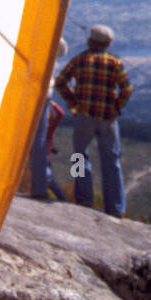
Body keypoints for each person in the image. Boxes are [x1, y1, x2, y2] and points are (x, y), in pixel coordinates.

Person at [53, 25, 131, 217]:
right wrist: (116, 106)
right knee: (112, 162)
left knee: (79, 156)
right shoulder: (114, 63)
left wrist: (74, 102)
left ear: (90, 41)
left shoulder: (80, 60)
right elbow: (127, 89)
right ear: (108, 43)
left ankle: (83, 198)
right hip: (108, 118)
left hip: (84, 115)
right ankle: (115, 208)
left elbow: (61, 82)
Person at [30, 39, 70, 201]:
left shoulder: (39, 54)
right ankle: (64, 198)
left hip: (33, 93)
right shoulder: (51, 60)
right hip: (45, 95)